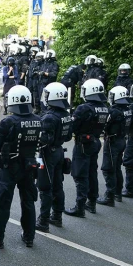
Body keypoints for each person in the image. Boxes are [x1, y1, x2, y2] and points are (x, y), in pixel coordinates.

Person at [0, 85, 41, 248]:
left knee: (2, 202)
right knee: (28, 201)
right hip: (29, 166)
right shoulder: (38, 120)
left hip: (10, 166)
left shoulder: (9, 121)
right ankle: (29, 236)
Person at [64, 79, 109, 217]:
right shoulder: (104, 107)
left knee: (80, 175)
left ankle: (80, 206)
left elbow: (74, 126)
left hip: (83, 144)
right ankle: (92, 203)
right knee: (91, 172)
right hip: (95, 142)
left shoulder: (84, 108)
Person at [35, 83, 73, 232]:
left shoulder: (50, 117)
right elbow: (69, 136)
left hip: (47, 154)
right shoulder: (66, 115)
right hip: (59, 152)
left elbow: (44, 139)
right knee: (57, 185)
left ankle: (43, 221)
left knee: (45, 186)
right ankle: (57, 216)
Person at [96, 86, 132, 206]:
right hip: (121, 140)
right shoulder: (127, 109)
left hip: (112, 141)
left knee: (108, 168)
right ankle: (118, 193)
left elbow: (105, 124)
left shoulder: (114, 111)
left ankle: (109, 196)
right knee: (116, 167)